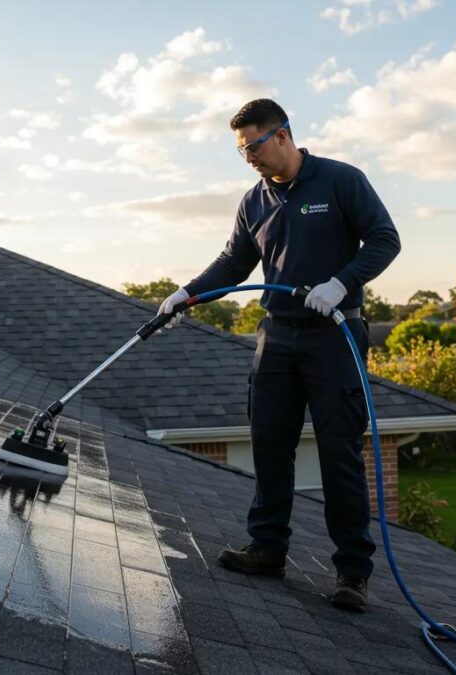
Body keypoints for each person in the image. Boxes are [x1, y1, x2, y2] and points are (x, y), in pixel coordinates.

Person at [158, 98, 400, 612]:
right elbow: (234, 262)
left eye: (253, 148)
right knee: (269, 444)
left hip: (335, 335)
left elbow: (384, 239)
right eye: (241, 152)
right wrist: (188, 294)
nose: (249, 159)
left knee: (339, 455)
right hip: (277, 336)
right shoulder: (255, 200)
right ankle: (267, 548)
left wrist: (342, 283)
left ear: (283, 135)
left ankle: (352, 573)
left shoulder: (340, 180)